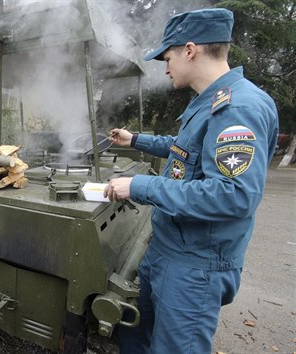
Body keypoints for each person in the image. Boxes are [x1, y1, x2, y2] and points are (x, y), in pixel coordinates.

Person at [104, 8, 279, 353]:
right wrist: (136, 140)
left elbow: (233, 196)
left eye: (167, 57)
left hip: (195, 267)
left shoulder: (238, 109)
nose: (165, 67)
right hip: (166, 251)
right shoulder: (208, 101)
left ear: (189, 50)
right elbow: (186, 150)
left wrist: (139, 186)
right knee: (134, 334)